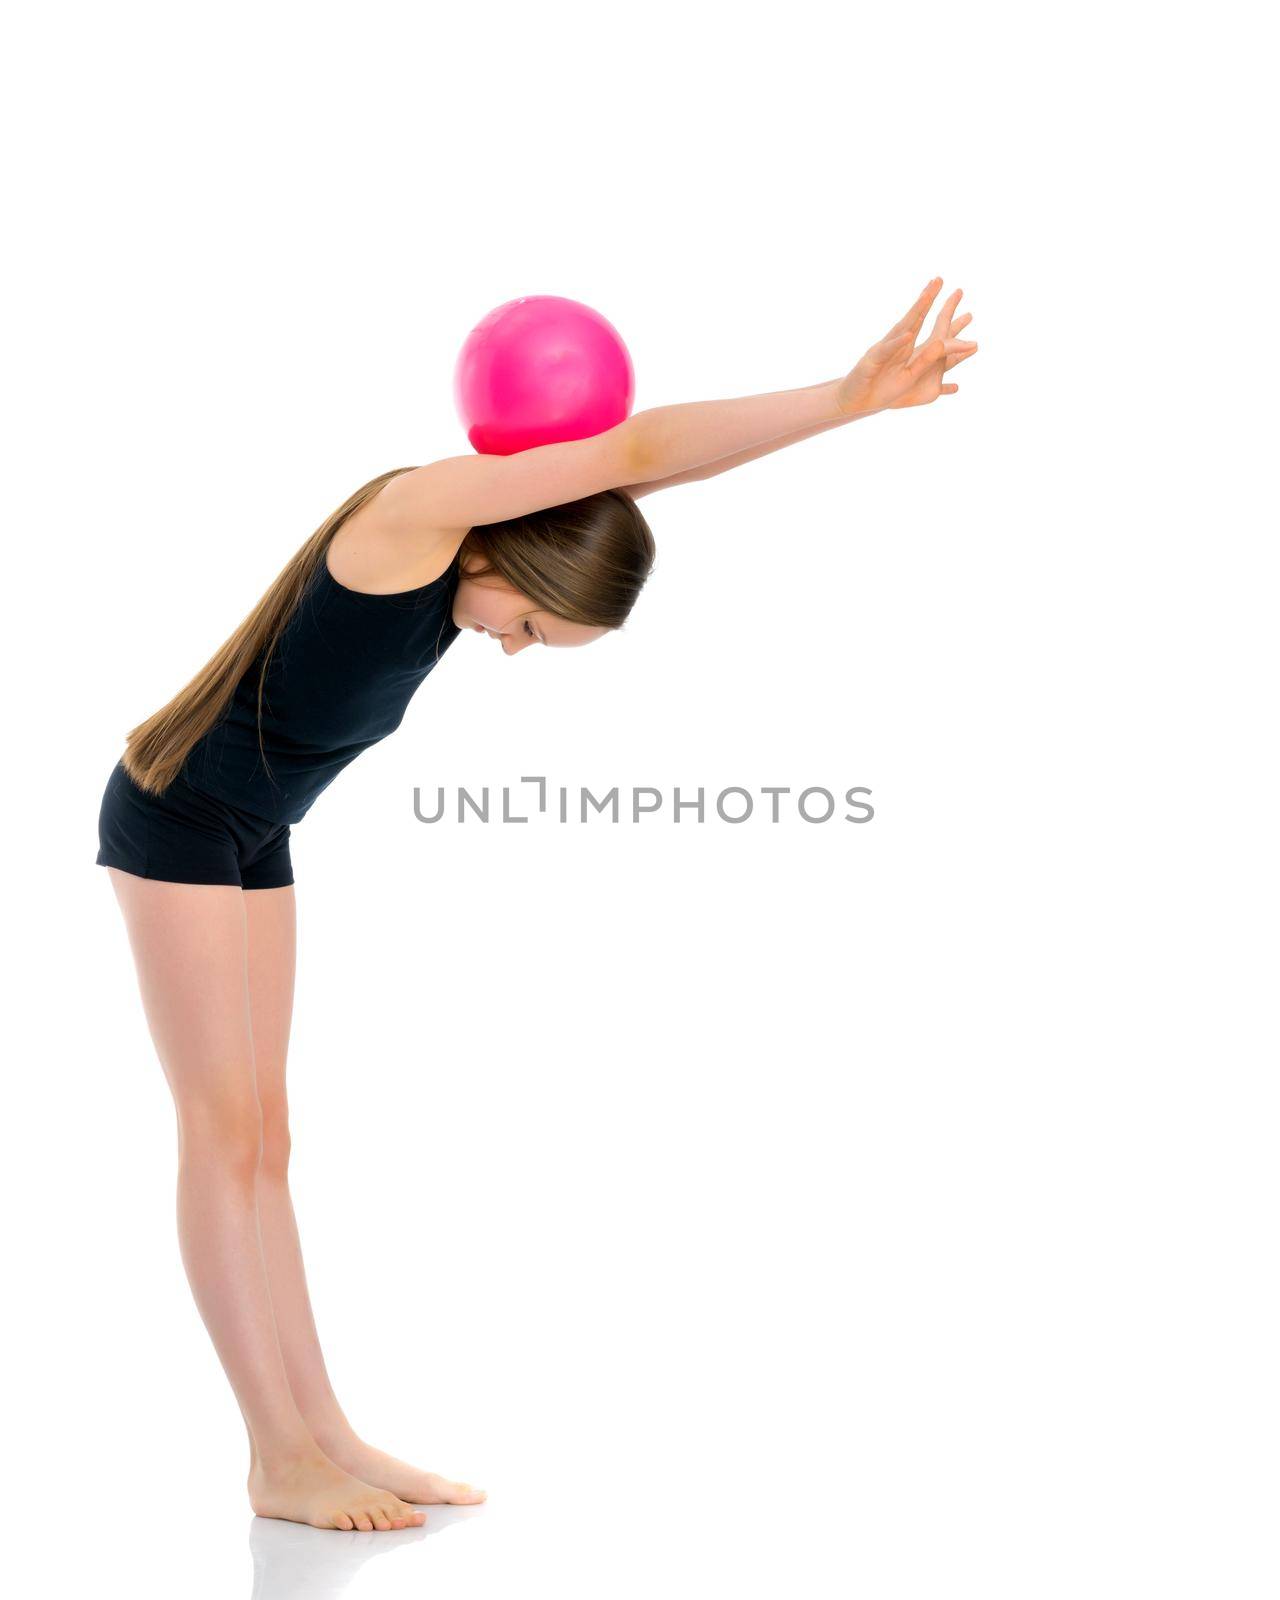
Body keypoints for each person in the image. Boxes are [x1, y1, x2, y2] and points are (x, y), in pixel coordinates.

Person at [95, 278, 978, 1531]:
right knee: (220, 1130)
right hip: (174, 816)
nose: (506, 647)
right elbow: (638, 448)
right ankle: (272, 1456)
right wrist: (842, 400)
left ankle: (324, 1429)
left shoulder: (485, 552)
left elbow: (629, 485)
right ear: (500, 550)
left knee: (270, 1137)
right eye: (526, 628)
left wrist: (824, 427)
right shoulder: (411, 519)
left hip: (252, 828)